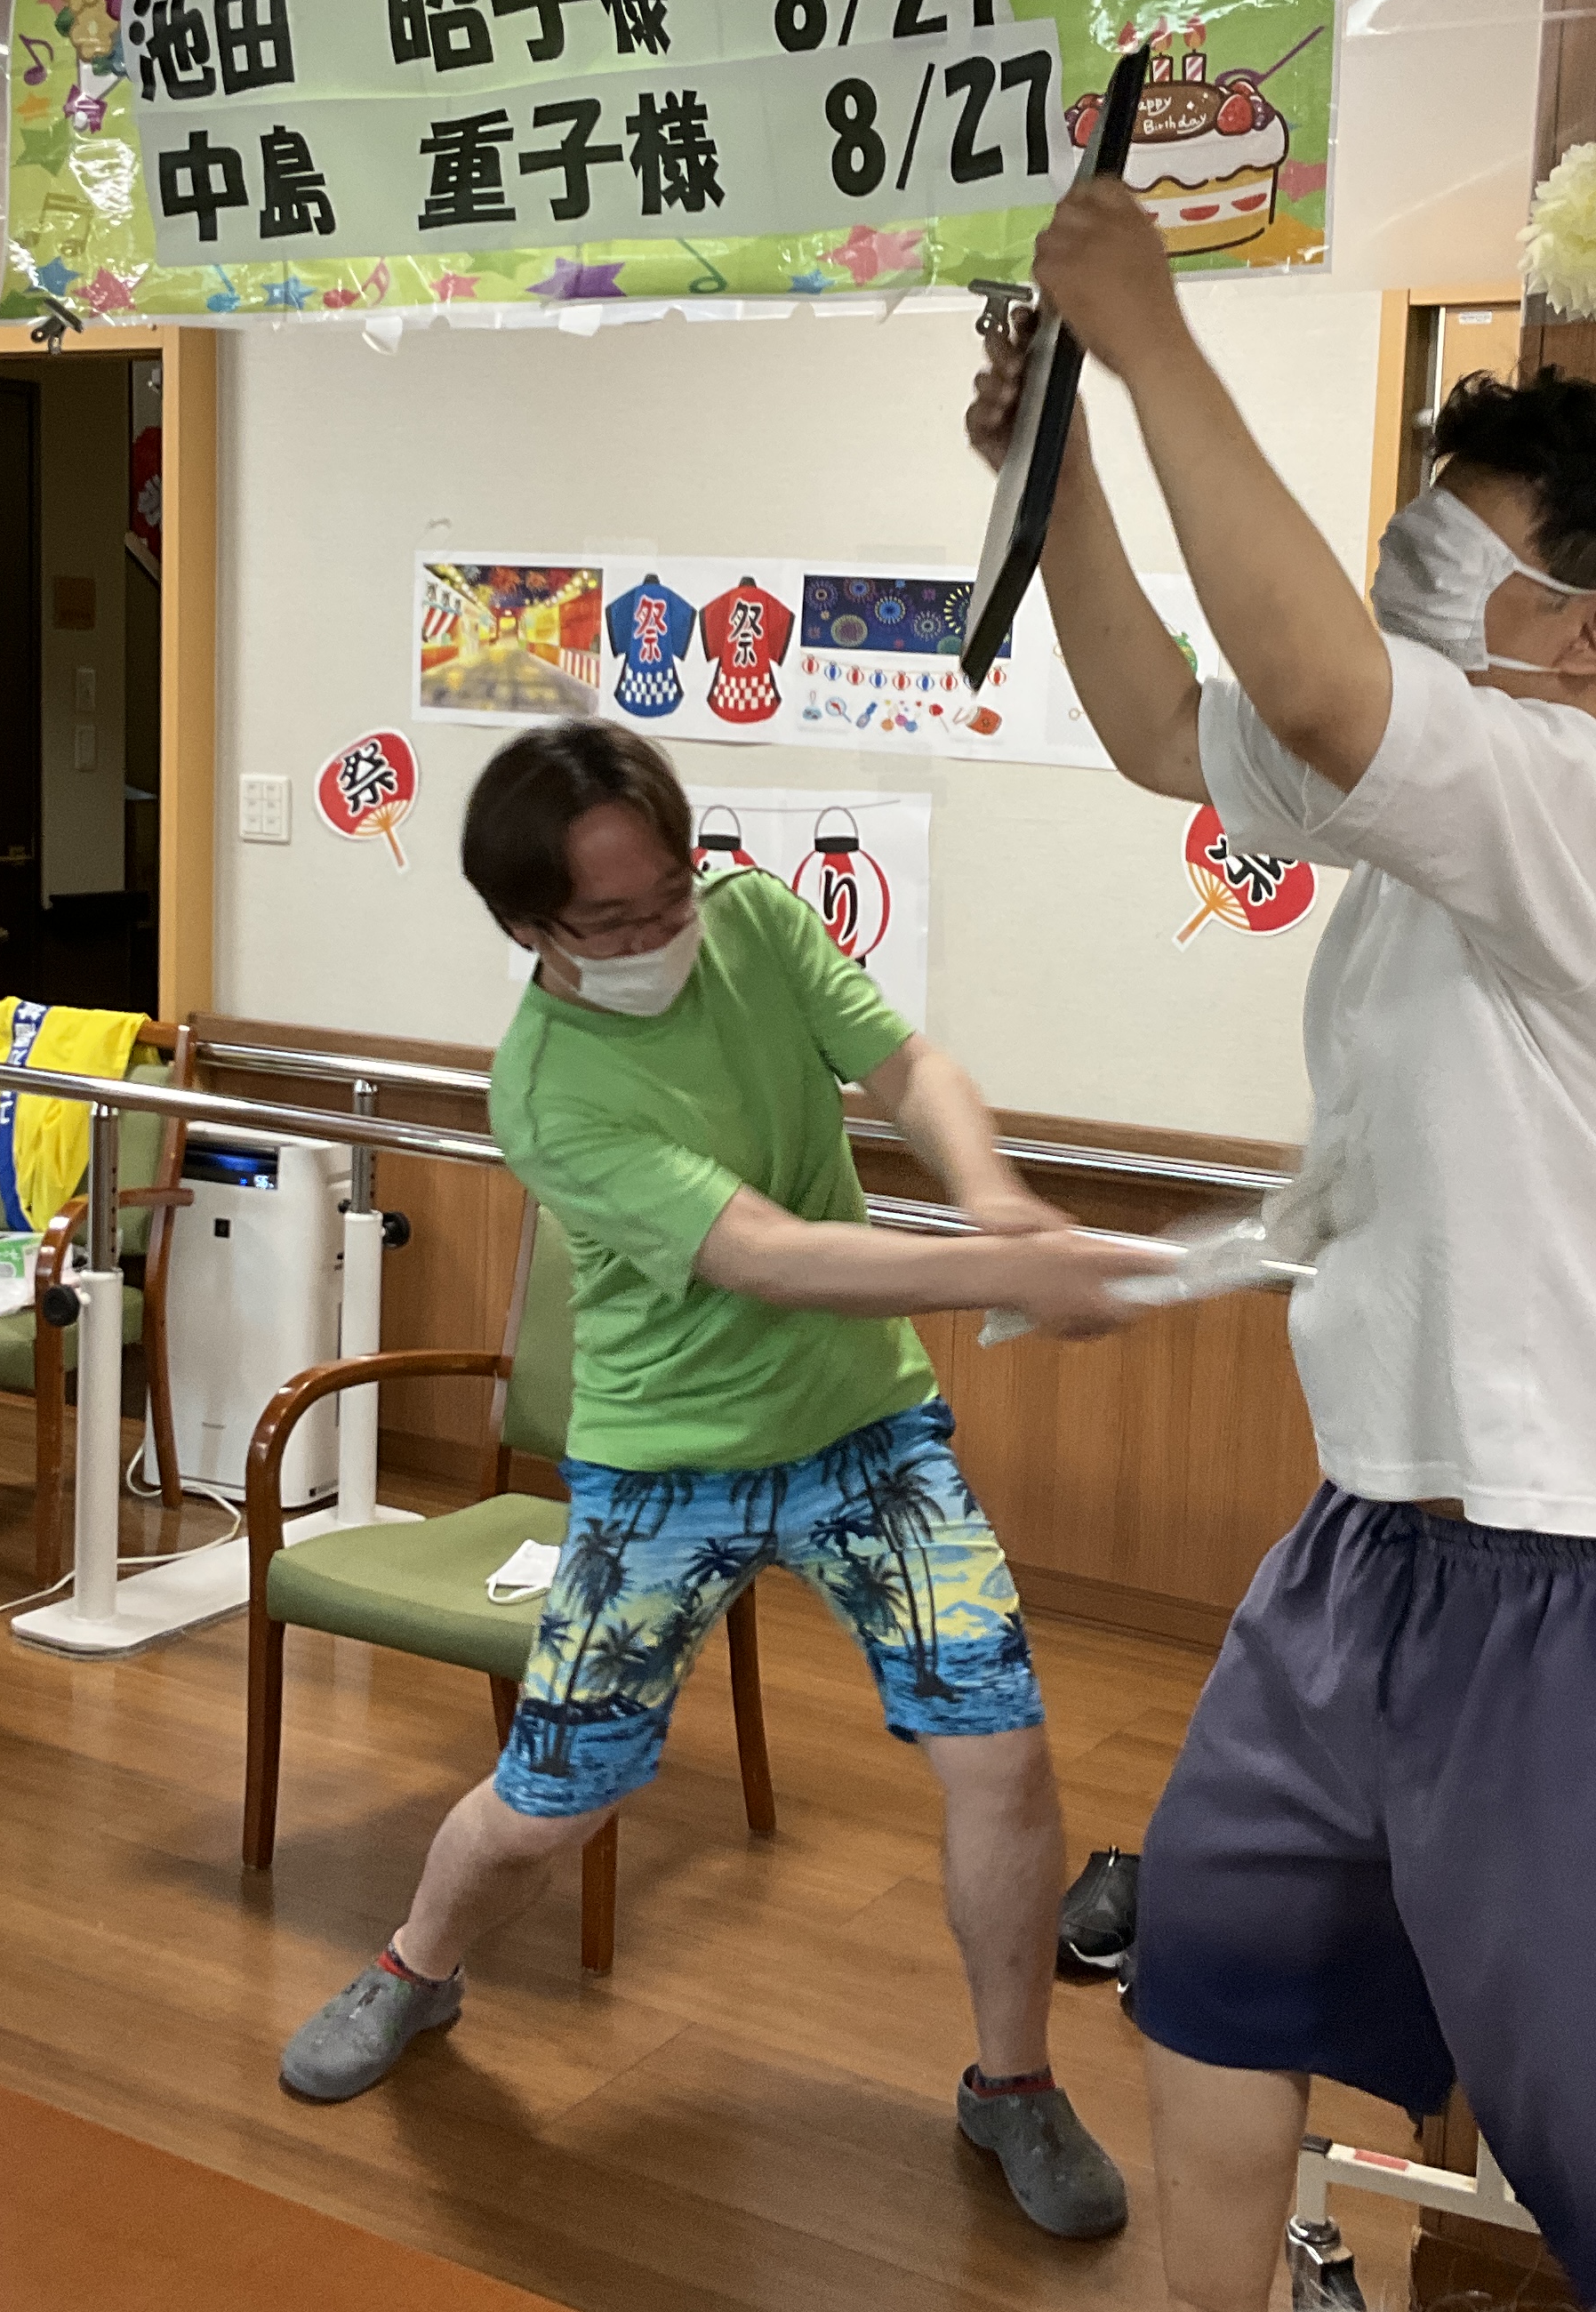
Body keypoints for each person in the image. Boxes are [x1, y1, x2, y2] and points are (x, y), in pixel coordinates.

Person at [974, 179, 1596, 2312]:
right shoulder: (1438, 819)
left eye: (1449, 554)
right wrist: (1049, 466)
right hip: (1373, 1548)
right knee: (1215, 1995)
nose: (1393, 578)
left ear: (1591, 631)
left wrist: (1153, 338)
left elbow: (1324, 694)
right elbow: (1176, 723)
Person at [277, 719, 1151, 2242]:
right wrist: (1003, 1268)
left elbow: (903, 1061)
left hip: (865, 1432)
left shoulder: (752, 918)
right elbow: (765, 1253)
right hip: (659, 1462)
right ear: (531, 927)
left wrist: (993, 1192)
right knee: (554, 1803)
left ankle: (1010, 2081)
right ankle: (417, 1963)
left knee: (1000, 1750)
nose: (658, 934)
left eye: (667, 892)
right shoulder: (544, 1085)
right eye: (613, 921)